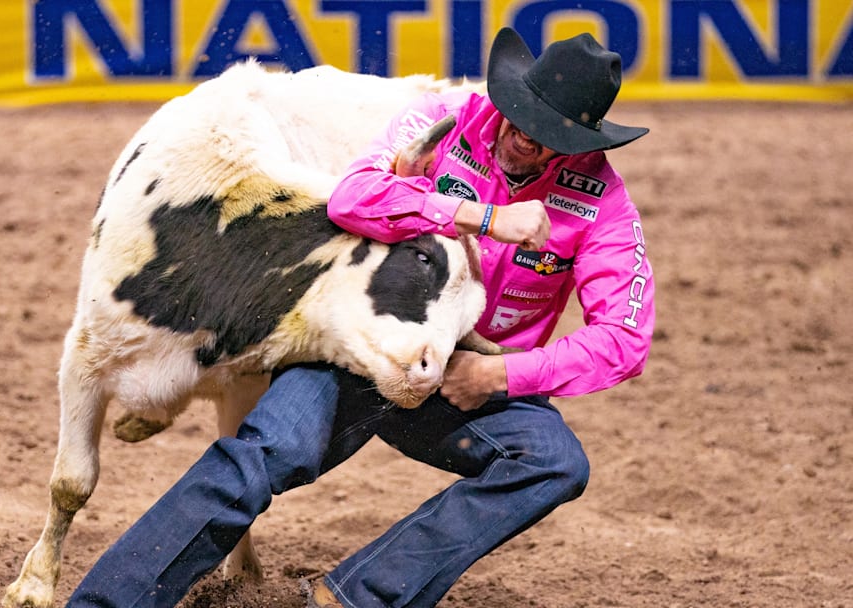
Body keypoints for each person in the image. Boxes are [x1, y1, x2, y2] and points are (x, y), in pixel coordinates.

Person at [66, 27, 654, 608]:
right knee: (263, 454)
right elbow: (353, 196)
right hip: (368, 345)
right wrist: (479, 216)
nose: (524, 135)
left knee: (553, 463)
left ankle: (352, 597)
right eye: (520, 113)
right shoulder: (444, 121)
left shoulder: (602, 203)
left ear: (581, 141)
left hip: (470, 375)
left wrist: (498, 377)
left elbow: (624, 340)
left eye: (547, 132)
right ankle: (108, 603)